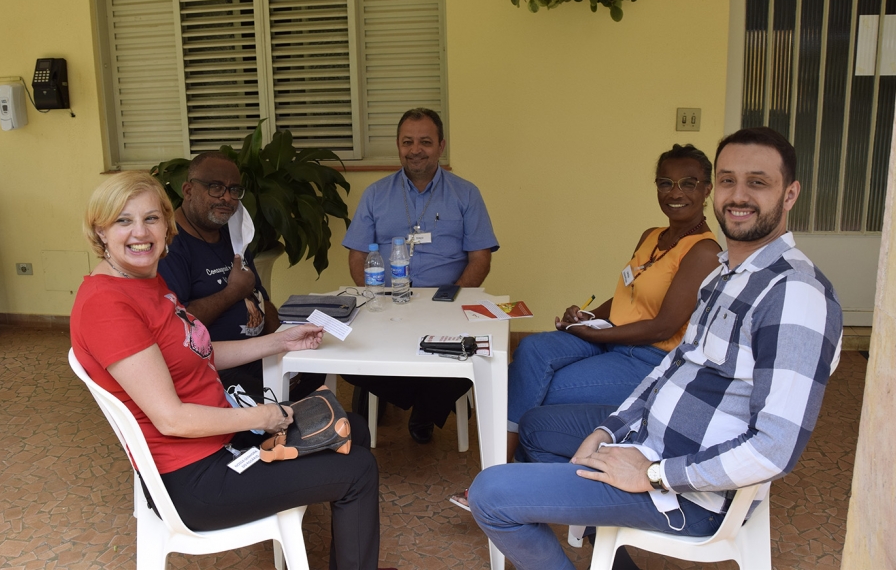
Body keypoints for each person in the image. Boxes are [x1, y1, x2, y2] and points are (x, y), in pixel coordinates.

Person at [467, 127, 843, 570]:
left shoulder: (795, 293)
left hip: (691, 493)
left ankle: (601, 518)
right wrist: (607, 431)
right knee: (534, 427)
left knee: (489, 495)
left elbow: (774, 449)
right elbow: (671, 369)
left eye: (757, 182)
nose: (738, 196)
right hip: (647, 442)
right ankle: (611, 551)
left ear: (790, 194)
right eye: (728, 180)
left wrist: (652, 474)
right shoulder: (725, 274)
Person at [71, 171, 391, 570]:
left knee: (353, 428)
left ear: (166, 226)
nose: (141, 232)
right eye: (123, 220)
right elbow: (170, 419)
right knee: (359, 470)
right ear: (100, 231)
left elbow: (198, 353)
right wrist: (263, 416)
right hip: (196, 479)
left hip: (220, 442)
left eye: (151, 218)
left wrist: (280, 341)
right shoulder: (107, 305)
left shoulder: (145, 281)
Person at [449, 144, 721, 511]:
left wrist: (598, 333)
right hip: (611, 337)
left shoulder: (704, 251)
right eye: (665, 183)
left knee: (536, 391)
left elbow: (663, 326)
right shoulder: (651, 235)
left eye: (688, 183)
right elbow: (628, 296)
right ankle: (506, 477)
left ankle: (504, 482)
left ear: (707, 189)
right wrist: (588, 316)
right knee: (531, 350)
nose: (675, 192)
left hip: (647, 358)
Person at [341, 107, 500, 444]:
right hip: (386, 303)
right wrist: (374, 297)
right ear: (398, 146)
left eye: (425, 142)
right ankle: (430, 404)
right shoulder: (375, 194)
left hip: (447, 303)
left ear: (441, 146)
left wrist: (452, 297)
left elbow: (480, 258)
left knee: (475, 354)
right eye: (407, 142)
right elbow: (357, 256)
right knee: (345, 357)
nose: (416, 150)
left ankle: (425, 406)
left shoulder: (466, 193)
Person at [157, 152, 323, 400]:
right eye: (215, 187)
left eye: (234, 190)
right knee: (279, 407)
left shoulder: (233, 235)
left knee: (314, 368)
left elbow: (260, 297)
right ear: (188, 190)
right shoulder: (170, 246)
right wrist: (233, 292)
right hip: (214, 366)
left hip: (257, 354)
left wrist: (281, 348)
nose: (227, 197)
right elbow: (176, 326)